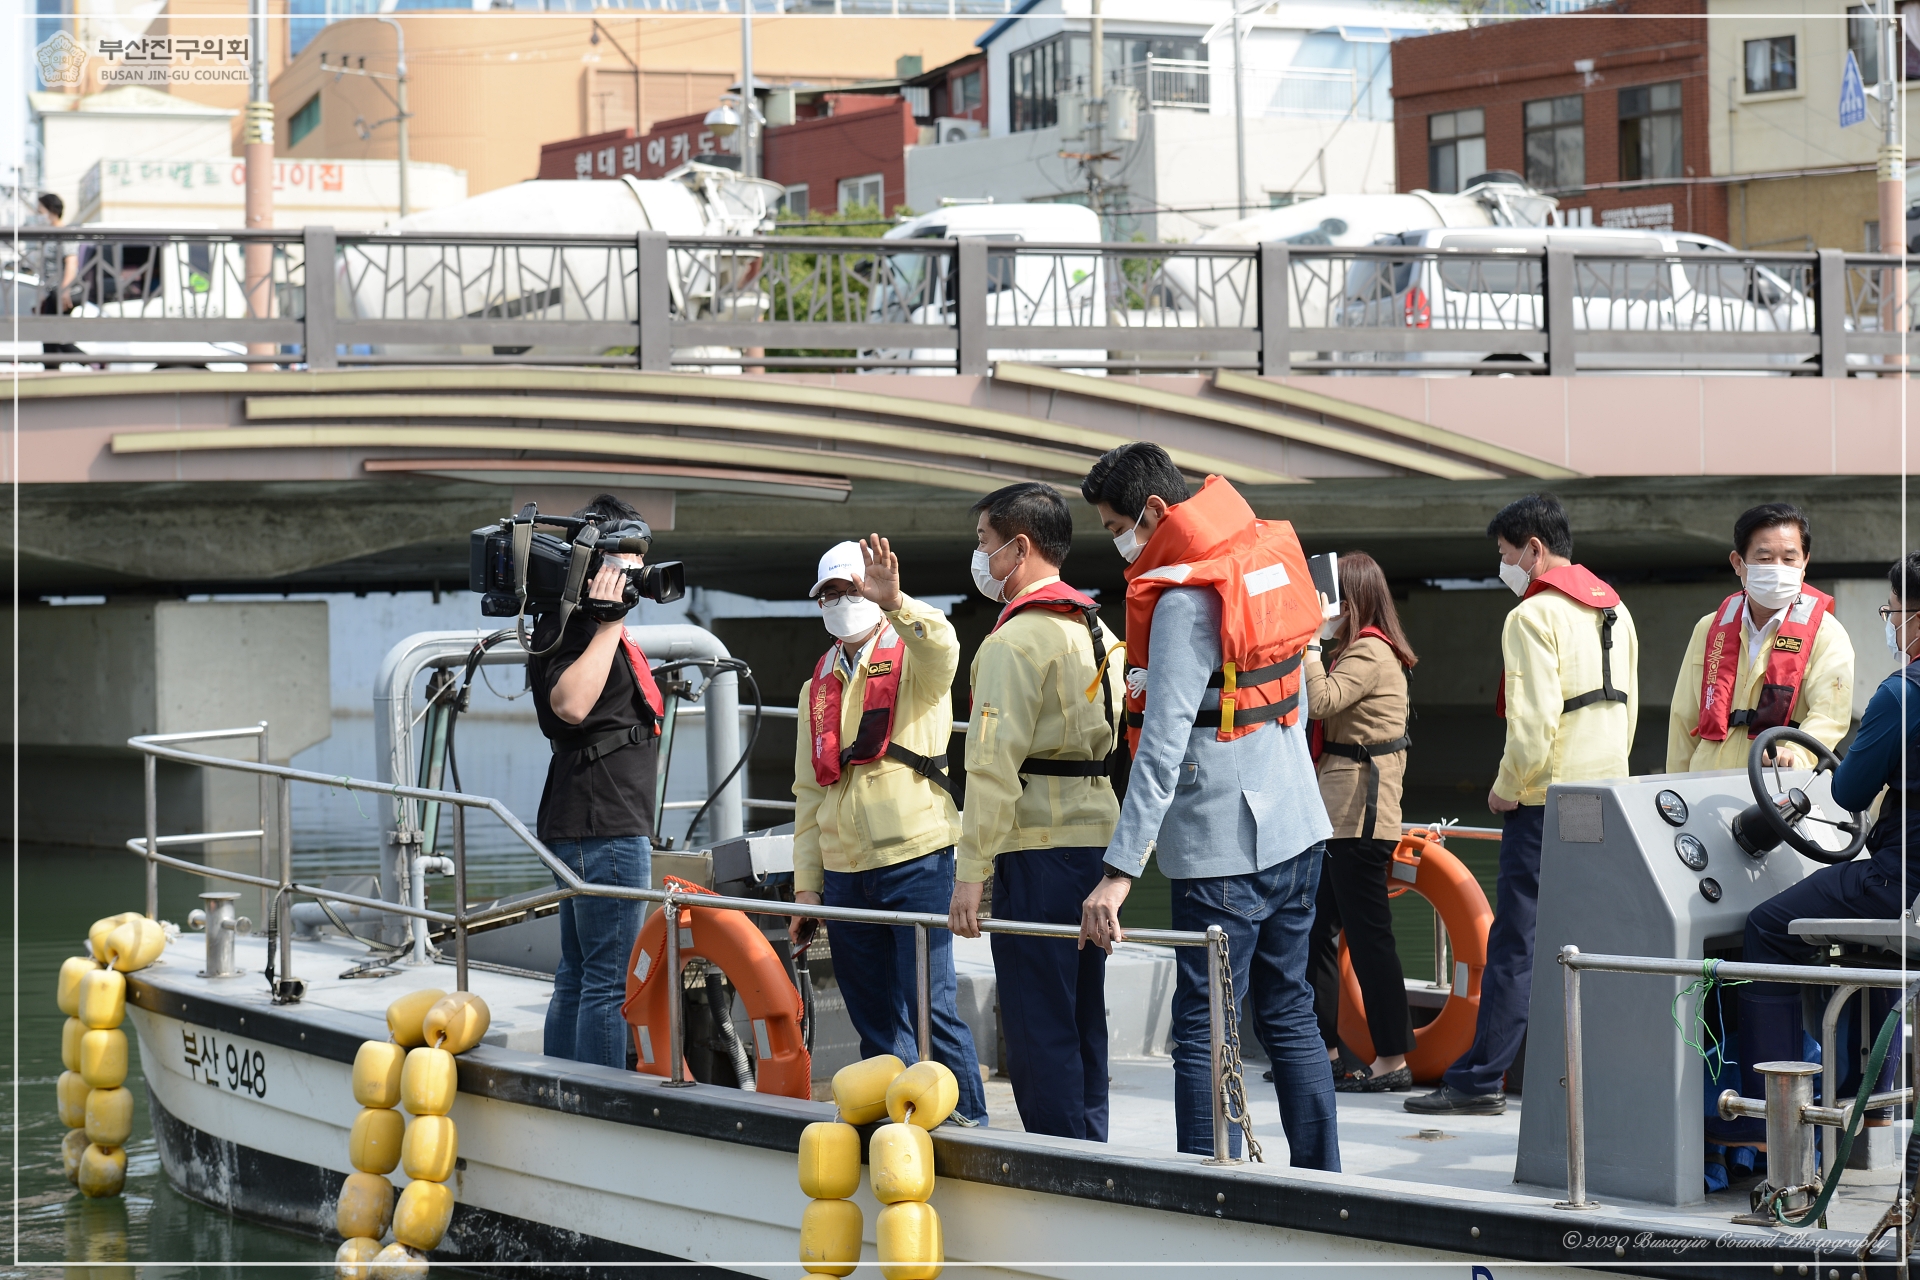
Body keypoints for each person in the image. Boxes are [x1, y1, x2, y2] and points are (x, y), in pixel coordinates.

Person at [1075, 444, 1338, 1169]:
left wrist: (1119, 871)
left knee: (1202, 1028)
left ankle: (1204, 1183)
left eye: (1114, 525)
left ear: (1155, 513)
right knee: (1290, 1013)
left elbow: (1160, 749)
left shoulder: (1187, 601)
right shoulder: (1260, 561)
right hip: (1300, 828)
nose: (1118, 541)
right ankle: (1326, 1180)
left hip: (1225, 849)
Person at [1407, 493, 1638, 1117]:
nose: (1504, 567)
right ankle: (1596, 1083)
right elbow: (1628, 710)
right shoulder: (1613, 608)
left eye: (1507, 555)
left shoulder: (1531, 618)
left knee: (1517, 943)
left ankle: (1482, 1080)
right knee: (1588, 943)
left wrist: (1507, 787)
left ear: (1534, 549)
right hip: (1605, 795)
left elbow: (1533, 725)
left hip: (1543, 802)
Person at [790, 534, 988, 1126]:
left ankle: (972, 1124)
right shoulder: (814, 688)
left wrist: (898, 602)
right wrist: (808, 888)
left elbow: (945, 648)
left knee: (932, 1009)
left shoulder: (914, 660)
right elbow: (807, 794)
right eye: (828, 593)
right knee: (873, 1016)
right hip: (846, 873)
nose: (840, 601)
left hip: (918, 861)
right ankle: (895, 1126)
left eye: (849, 589)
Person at [948, 482, 1125, 1141]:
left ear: (1018, 548)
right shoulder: (1098, 630)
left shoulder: (1012, 644)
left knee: (1036, 1018)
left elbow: (992, 768)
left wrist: (971, 875)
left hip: (1037, 849)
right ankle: (1094, 1150)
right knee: (1083, 1012)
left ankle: (1061, 1165)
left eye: (984, 544)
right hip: (1098, 848)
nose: (980, 557)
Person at [1730, 553, 1920, 1149]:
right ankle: (1876, 1108)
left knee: (1766, 926)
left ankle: (1776, 1120)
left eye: (1894, 611)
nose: (1891, 622)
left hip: (1900, 880)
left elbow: (1846, 789)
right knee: (1878, 944)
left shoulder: (1901, 694)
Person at [526, 494, 661, 1067]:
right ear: (591, 562)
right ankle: (596, 1102)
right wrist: (610, 626)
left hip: (590, 817)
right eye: (621, 564)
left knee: (580, 973)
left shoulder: (577, 622)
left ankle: (566, 1089)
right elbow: (570, 706)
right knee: (606, 980)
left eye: (637, 563)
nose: (631, 577)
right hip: (600, 824)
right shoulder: (575, 624)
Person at [1303, 551, 1419, 1094]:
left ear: (1352, 601)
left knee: (1369, 939)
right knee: (1315, 934)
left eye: (1331, 601)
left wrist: (1307, 644)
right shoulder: (1364, 647)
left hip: (1359, 819)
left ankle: (1392, 1059)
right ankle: (1324, 1051)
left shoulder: (1370, 650)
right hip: (1342, 818)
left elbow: (1321, 701)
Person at [1667, 503, 1852, 774]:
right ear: (1737, 563)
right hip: (1704, 783)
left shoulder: (1827, 633)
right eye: (1764, 559)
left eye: (1789, 559)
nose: (1778, 569)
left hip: (1777, 785)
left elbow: (1829, 716)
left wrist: (1796, 756)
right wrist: (1674, 787)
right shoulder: (1709, 628)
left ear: (1805, 564)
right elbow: (1683, 719)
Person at [34, 193, 82, 358]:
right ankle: (92, 363)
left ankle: (93, 362)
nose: (38, 216)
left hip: (59, 293)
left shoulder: (64, 233)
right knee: (53, 338)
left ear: (51, 211)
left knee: (53, 336)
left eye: (40, 211)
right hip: (52, 293)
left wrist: (65, 290)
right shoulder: (49, 235)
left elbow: (71, 263)